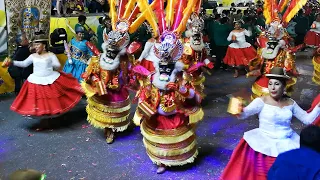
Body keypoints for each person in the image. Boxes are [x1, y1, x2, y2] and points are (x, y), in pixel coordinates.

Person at [221, 67, 320, 180]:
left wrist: (318, 107)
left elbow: (307, 120)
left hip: (286, 143)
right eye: (270, 84)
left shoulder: (291, 103)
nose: (272, 87)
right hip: (263, 145)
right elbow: (243, 115)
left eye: (276, 84)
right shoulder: (261, 101)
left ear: (283, 86)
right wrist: (237, 109)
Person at [2, 32, 83, 117]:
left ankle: (50, 115)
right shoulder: (33, 56)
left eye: (37, 44)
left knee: (52, 100)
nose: (35, 46)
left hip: (50, 80)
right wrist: (12, 62)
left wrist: (53, 64)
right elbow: (24, 64)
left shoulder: (51, 55)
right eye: (34, 45)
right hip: (36, 80)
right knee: (39, 101)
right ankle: (42, 115)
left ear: (44, 46)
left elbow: (58, 65)